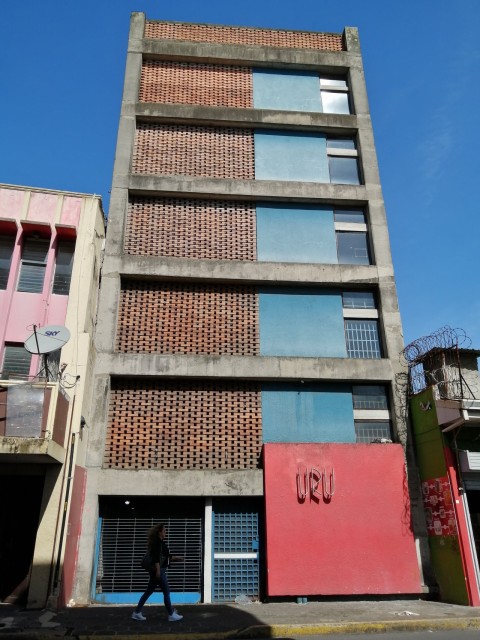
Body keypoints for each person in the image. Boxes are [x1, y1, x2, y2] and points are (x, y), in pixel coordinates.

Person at [132, 523, 184, 622]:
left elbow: (166, 557)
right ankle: (171, 614)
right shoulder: (157, 543)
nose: (166, 532)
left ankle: (137, 612)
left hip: (157, 571)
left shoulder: (161, 543)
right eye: (164, 531)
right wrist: (158, 571)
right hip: (159, 572)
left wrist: (178, 558)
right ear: (159, 532)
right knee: (166, 592)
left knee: (149, 592)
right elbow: (156, 558)